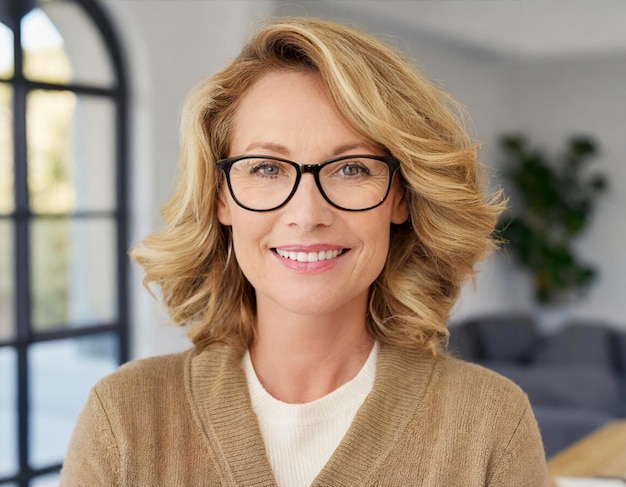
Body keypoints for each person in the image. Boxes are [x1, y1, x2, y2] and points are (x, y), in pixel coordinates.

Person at [60, 17, 548, 486]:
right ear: (221, 197)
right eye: (267, 169)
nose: (307, 213)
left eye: (352, 169)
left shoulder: (490, 424)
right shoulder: (123, 417)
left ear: (401, 195)